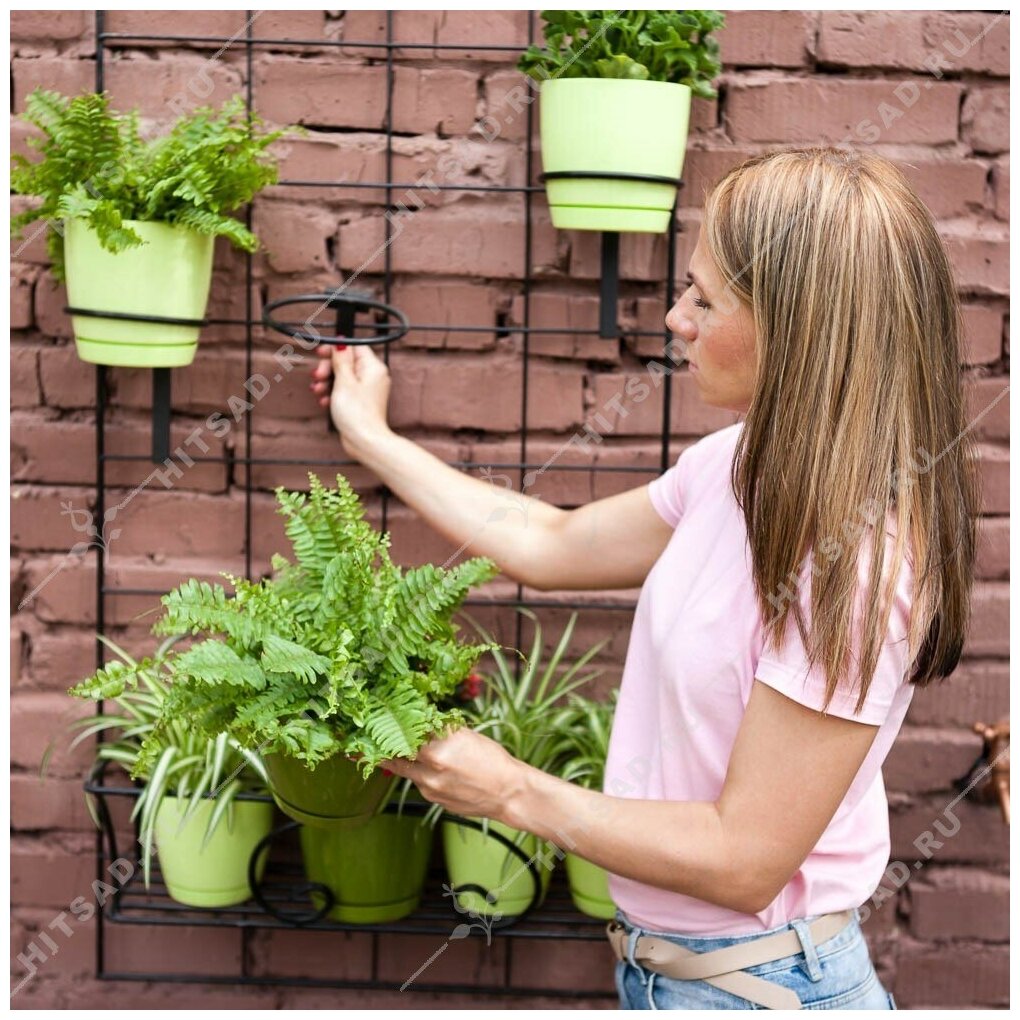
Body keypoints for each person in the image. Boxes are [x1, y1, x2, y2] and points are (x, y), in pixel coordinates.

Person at [309, 146, 979, 1010]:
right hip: (674, 975)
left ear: (799, 328)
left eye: (705, 298)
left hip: (756, 988)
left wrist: (508, 788)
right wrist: (370, 436)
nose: (674, 317)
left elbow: (745, 860)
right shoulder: (738, 464)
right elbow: (552, 544)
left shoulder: (854, 564)